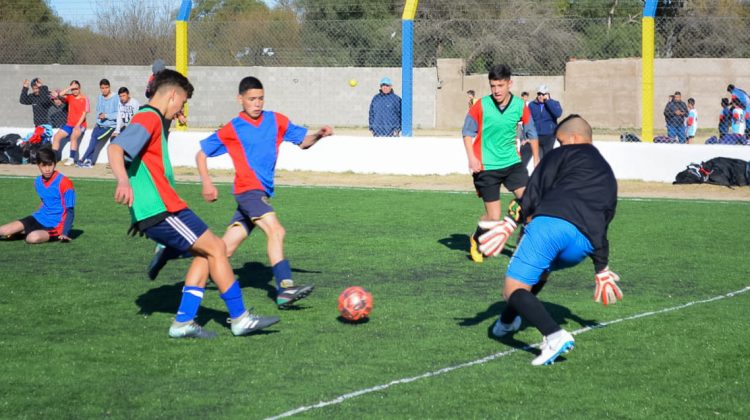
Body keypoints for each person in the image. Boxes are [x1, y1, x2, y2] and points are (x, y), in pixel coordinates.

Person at [107, 69, 279, 338]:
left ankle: (184, 322)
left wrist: (138, 211)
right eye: (182, 102)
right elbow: (116, 148)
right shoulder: (148, 117)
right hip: (163, 210)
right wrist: (123, 183)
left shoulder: (155, 119)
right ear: (172, 95)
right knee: (218, 249)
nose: (180, 110)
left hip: (161, 209)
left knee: (206, 254)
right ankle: (240, 318)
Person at [478, 114, 620, 366]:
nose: (558, 147)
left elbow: (533, 190)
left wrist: (511, 221)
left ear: (574, 139)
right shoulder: (607, 172)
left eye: (561, 142)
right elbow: (604, 217)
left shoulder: (559, 155)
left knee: (512, 290)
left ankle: (554, 336)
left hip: (551, 226)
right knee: (539, 271)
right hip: (583, 245)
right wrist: (601, 266)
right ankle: (508, 322)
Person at [192, 76, 333, 309]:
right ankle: (285, 287)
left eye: (260, 98)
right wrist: (206, 182)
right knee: (276, 230)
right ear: (240, 100)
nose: (257, 103)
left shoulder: (275, 120)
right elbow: (201, 154)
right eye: (251, 99)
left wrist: (318, 135)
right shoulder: (232, 128)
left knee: (224, 249)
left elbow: (302, 142)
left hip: (259, 193)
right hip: (249, 191)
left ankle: (174, 253)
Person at [463, 64, 538, 264]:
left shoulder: (520, 106)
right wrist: (472, 158)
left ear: (509, 84)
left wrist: (537, 160)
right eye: (493, 85)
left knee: (530, 205)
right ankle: (476, 238)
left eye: (500, 85)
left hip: (513, 163)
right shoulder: (481, 105)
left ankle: (523, 247)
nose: (496, 90)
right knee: (494, 217)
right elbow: (467, 132)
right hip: (487, 167)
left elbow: (532, 133)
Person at [0, 148, 75, 244]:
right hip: (38, 218)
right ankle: (21, 231)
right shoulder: (38, 182)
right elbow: (44, 201)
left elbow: (70, 210)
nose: (47, 169)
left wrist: (65, 233)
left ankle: (22, 232)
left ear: (54, 164)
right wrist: (34, 216)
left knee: (32, 238)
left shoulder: (65, 183)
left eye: (50, 165)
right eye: (43, 166)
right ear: (38, 165)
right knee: (3, 230)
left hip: (56, 225)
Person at [80, 79, 119, 168]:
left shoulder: (116, 97)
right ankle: (89, 161)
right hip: (99, 124)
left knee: (95, 139)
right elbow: (98, 111)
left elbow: (118, 113)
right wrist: (99, 118)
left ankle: (83, 158)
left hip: (110, 126)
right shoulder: (100, 97)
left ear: (109, 87)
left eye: (106, 87)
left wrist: (106, 115)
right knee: (92, 140)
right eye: (102, 88)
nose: (104, 90)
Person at [51, 80, 89, 166]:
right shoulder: (70, 97)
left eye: (76, 88)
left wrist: (77, 126)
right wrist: (70, 87)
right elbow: (59, 95)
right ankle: (54, 158)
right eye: (73, 89)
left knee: (73, 136)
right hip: (69, 124)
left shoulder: (85, 99)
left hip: (80, 125)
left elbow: (84, 114)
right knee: (57, 136)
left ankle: (71, 158)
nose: (74, 91)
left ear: (80, 88)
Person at [526, 84, 563, 160]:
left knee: (548, 158)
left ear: (547, 94)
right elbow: (528, 121)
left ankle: (548, 171)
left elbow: (558, 113)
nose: (541, 96)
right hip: (536, 136)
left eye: (543, 94)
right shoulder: (532, 105)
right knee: (538, 158)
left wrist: (548, 101)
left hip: (549, 136)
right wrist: (527, 135)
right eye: (539, 94)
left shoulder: (554, 103)